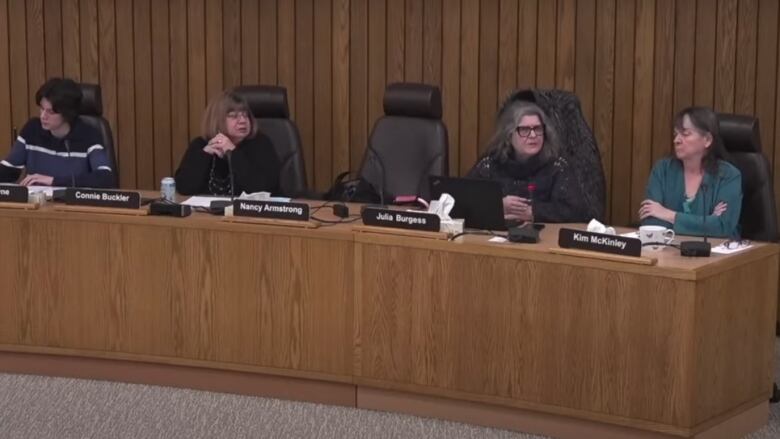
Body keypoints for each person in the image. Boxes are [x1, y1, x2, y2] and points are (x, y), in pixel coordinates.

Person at [466, 101, 588, 223]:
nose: (533, 135)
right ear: (509, 135)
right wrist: (496, 206)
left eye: (538, 128)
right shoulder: (490, 165)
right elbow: (461, 202)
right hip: (494, 239)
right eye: (524, 130)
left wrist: (533, 212)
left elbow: (576, 211)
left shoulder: (557, 167)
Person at [639, 107, 742, 238]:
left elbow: (722, 226)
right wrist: (707, 221)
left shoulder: (728, 175)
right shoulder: (663, 170)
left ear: (707, 140)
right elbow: (651, 221)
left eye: (685, 134)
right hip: (669, 252)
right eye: (675, 134)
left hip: (715, 253)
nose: (676, 140)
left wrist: (668, 214)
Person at [0, 77, 115, 188]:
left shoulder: (89, 135)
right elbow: (9, 170)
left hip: (73, 205)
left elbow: (104, 178)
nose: (43, 116)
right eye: (41, 108)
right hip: (38, 204)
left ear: (67, 113)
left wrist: (53, 181)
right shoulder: (32, 130)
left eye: (50, 112)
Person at [175, 90, 280, 196]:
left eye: (245, 115)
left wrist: (232, 152)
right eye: (234, 116)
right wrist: (204, 155)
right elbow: (184, 188)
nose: (243, 120)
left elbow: (263, 189)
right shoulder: (200, 145)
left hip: (249, 212)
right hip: (205, 212)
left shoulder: (261, 144)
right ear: (217, 120)